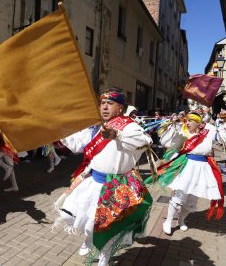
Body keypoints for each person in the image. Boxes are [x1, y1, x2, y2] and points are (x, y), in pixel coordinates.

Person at [53, 89, 152, 265]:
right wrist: (59, 130)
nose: (104, 107)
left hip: (115, 185)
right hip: (92, 179)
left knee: (102, 226)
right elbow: (77, 145)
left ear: (120, 107)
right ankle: (90, 239)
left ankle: (104, 259)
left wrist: (117, 135)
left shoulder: (129, 126)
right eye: (102, 103)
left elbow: (145, 142)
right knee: (69, 214)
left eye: (110, 103)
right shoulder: (97, 127)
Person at [154, 111, 224, 235]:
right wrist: (171, 126)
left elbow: (225, 138)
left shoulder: (207, 133)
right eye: (187, 120)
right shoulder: (183, 133)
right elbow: (166, 143)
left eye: (191, 121)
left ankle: (181, 220)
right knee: (179, 196)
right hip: (188, 167)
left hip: (202, 168)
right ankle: (168, 221)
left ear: (199, 123)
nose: (188, 123)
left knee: (192, 199)